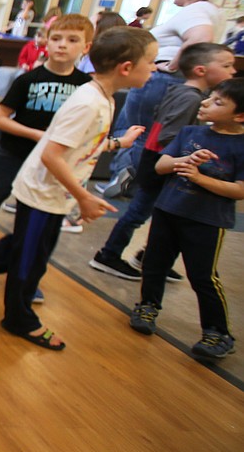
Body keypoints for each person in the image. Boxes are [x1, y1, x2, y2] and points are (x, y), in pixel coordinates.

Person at [0, 26, 157, 351]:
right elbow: (53, 154)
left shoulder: (101, 98)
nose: (154, 68)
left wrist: (119, 142)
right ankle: (19, 318)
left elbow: (82, 145)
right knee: (29, 261)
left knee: (21, 251)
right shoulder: (88, 103)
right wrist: (84, 197)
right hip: (42, 194)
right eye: (150, 62)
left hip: (53, 195)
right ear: (126, 67)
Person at [89, 43, 237, 280]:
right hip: (160, 162)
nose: (232, 72)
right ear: (201, 70)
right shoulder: (190, 98)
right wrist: (191, 152)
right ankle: (109, 254)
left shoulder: (182, 92)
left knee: (158, 214)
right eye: (226, 65)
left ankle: (150, 256)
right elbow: (171, 135)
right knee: (140, 212)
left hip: (158, 158)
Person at [0, 14, 93, 254]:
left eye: (72, 40)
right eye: (57, 38)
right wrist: (36, 135)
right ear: (47, 42)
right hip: (13, 154)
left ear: (86, 46)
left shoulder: (86, 87)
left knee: (34, 218)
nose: (62, 45)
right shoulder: (28, 80)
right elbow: (0, 119)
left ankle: (22, 265)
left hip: (52, 164)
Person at [129, 79, 244, 360]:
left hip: (207, 220)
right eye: (210, 97)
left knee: (203, 276)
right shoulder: (190, 132)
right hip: (168, 210)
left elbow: (240, 191)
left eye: (218, 102)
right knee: (154, 264)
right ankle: (147, 306)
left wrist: (199, 177)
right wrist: (188, 159)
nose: (205, 103)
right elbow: (160, 165)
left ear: (239, 116)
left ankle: (218, 332)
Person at [103, 0, 236, 201]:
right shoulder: (213, 11)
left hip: (162, 79)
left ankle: (122, 181)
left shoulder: (196, 11)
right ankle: (133, 183)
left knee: (135, 130)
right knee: (151, 134)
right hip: (170, 80)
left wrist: (172, 65)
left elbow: (199, 39)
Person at [153, 0, 235, 67]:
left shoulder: (196, 9)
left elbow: (202, 38)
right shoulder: (213, 10)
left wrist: (171, 67)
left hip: (168, 73)